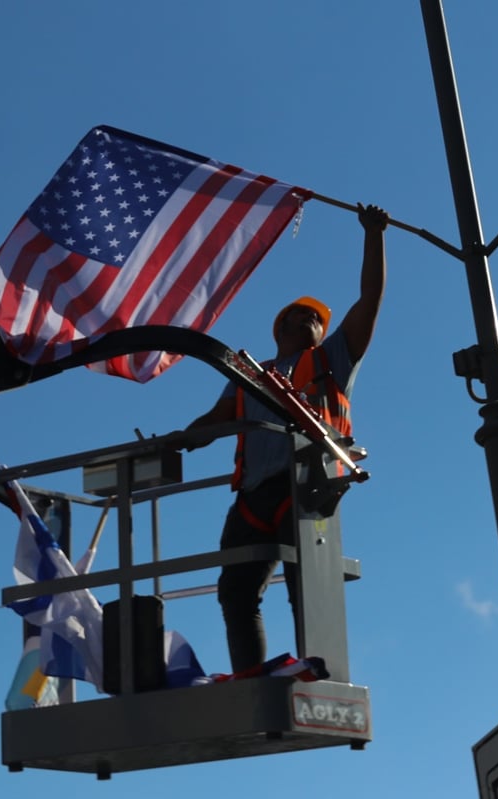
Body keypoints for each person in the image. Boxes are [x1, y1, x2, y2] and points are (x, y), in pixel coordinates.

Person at [184, 203, 389, 673]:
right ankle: (250, 674)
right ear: (282, 327)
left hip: (307, 489)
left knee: (306, 585)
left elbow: (370, 297)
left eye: (316, 319)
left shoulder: (334, 358)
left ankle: (317, 664)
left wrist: (373, 236)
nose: (313, 324)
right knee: (235, 591)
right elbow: (216, 419)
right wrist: (178, 440)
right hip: (254, 495)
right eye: (303, 317)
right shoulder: (250, 375)